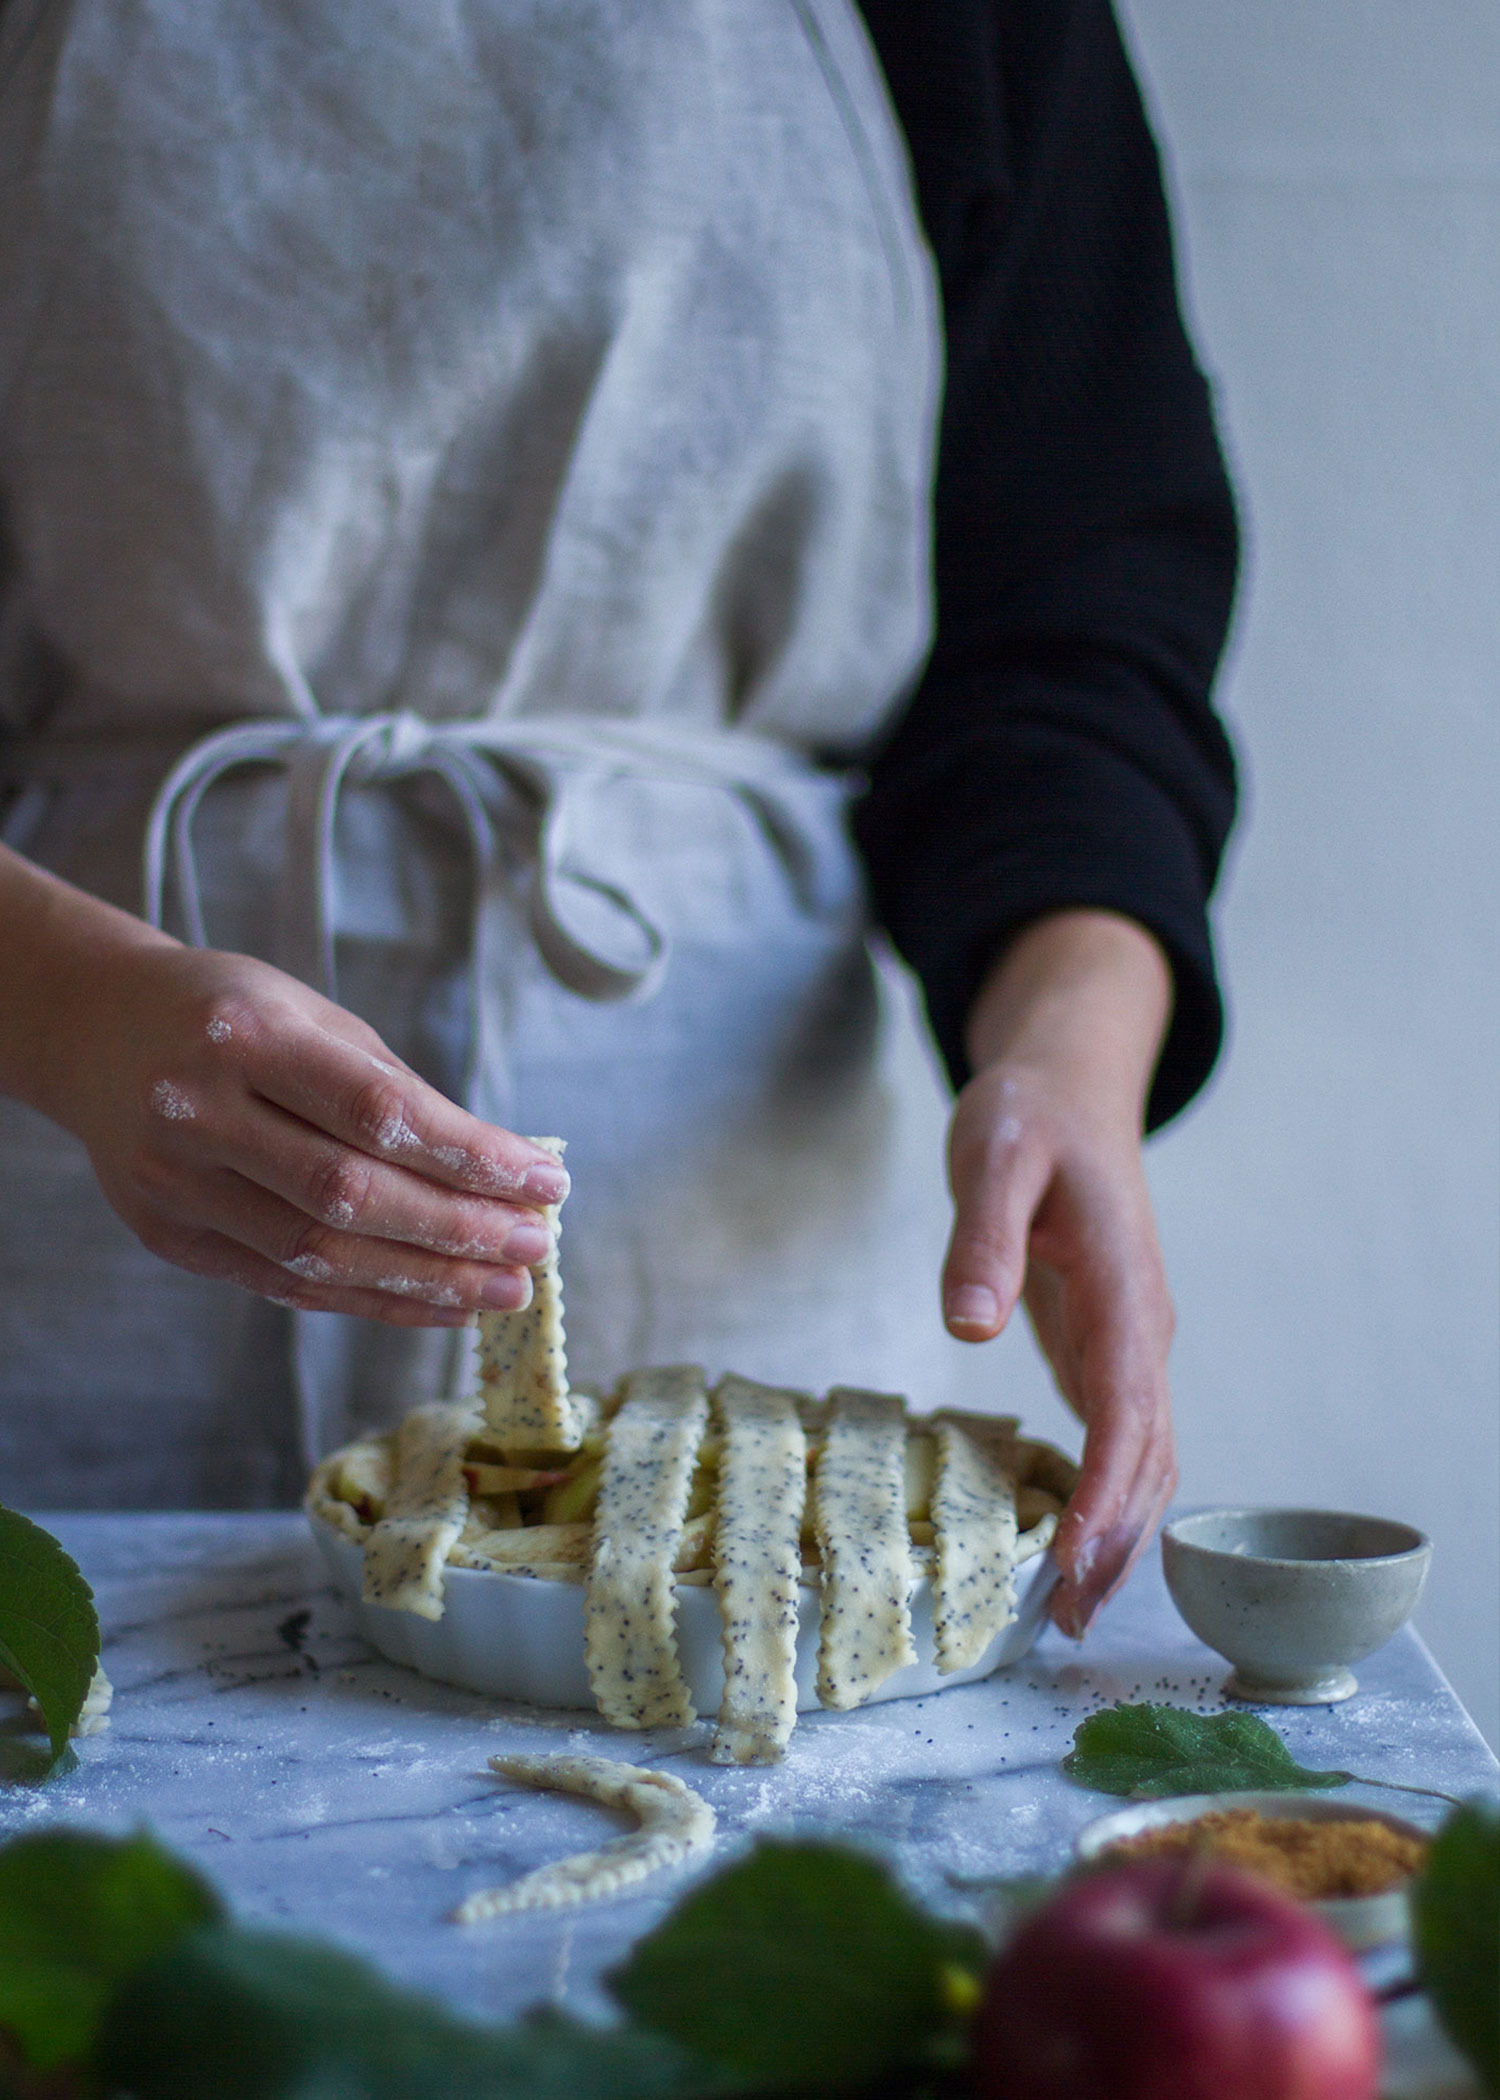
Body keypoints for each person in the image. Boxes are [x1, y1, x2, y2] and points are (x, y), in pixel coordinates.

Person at [0, 0, 1236, 1640]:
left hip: (738, 1215)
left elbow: (1076, 621)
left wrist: (1071, 1050)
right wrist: (63, 1011)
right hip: (69, 1184)